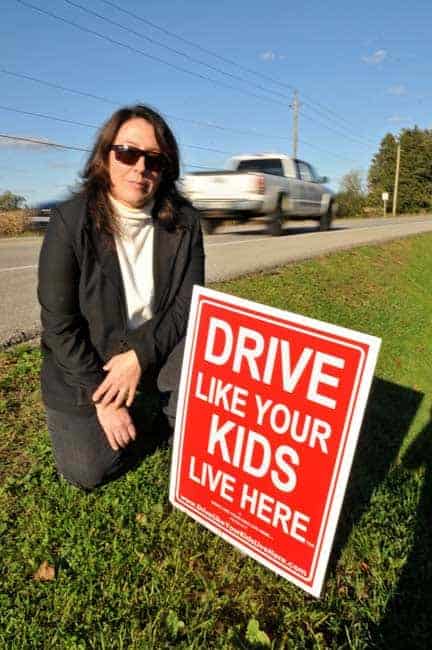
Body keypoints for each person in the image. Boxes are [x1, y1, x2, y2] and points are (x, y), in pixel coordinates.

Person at [38, 104, 205, 490]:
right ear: (106, 155)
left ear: (166, 167)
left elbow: (188, 306)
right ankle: (132, 407)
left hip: (153, 345)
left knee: (199, 366)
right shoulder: (70, 221)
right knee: (89, 471)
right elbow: (59, 323)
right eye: (128, 153)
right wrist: (105, 399)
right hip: (89, 357)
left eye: (154, 159)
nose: (140, 167)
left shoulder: (186, 222)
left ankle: (168, 414)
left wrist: (139, 357)